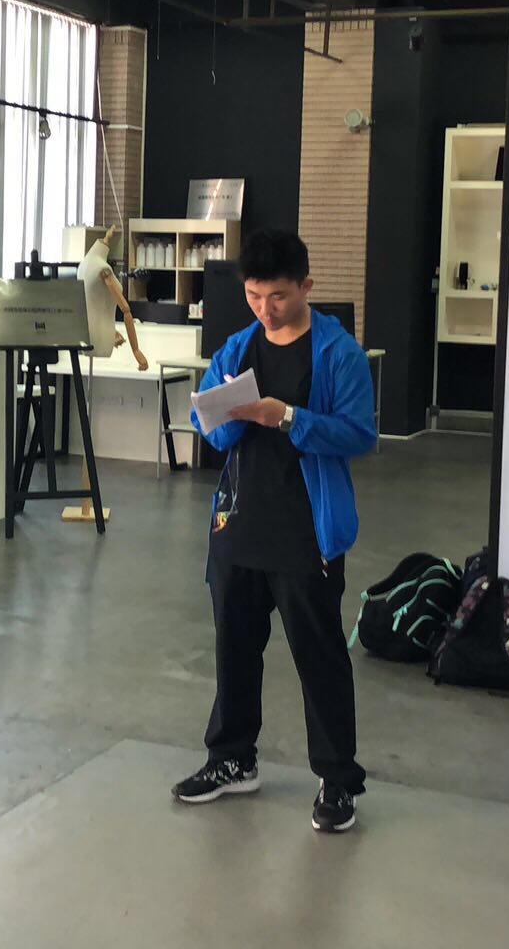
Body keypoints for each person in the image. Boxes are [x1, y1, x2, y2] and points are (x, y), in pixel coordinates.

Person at [170, 231, 376, 834]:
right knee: (234, 647)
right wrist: (224, 416)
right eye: (254, 296)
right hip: (238, 522)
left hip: (305, 528)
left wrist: (286, 416)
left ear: (306, 286)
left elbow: (360, 434)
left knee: (319, 655)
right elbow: (207, 425)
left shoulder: (338, 354)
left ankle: (338, 779)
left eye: (278, 296)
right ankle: (232, 757)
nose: (265, 309)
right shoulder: (237, 348)